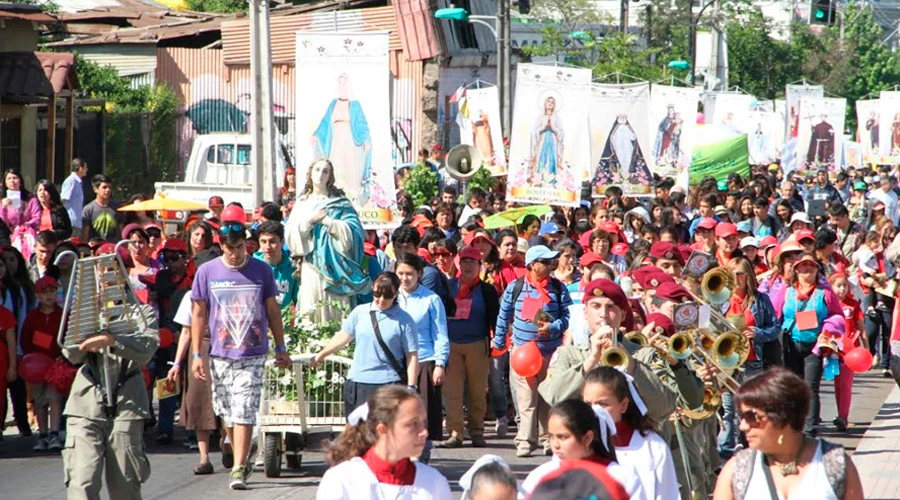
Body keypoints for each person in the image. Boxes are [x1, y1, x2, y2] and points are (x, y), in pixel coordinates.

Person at [190, 219, 291, 490]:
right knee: (227, 413)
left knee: (245, 409)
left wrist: (280, 347)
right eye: (229, 248)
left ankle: (238, 467)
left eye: (239, 247)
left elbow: (272, 310)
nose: (235, 253)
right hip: (220, 353)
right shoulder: (207, 272)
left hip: (253, 352)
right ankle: (239, 453)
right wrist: (196, 355)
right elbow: (198, 314)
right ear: (220, 246)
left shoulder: (262, 271)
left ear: (247, 244)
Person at [712, 368, 864, 500]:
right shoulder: (738, 469)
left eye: (752, 417)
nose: (743, 426)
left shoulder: (835, 464)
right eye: (742, 417)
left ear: (782, 415)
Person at [61, 301, 159, 500]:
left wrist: (112, 341)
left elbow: (147, 349)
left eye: (110, 269)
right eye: (99, 270)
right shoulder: (85, 311)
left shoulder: (141, 311)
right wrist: (86, 340)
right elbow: (71, 354)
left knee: (125, 486)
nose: (105, 275)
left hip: (127, 401)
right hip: (86, 403)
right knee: (82, 482)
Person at [493, 245, 572, 457]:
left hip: (550, 352)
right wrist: (499, 341)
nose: (550, 265)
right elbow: (504, 315)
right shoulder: (515, 287)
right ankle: (525, 441)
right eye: (545, 262)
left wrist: (554, 327)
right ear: (533, 265)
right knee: (526, 399)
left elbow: (567, 316)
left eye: (551, 262)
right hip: (523, 352)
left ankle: (548, 439)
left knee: (547, 396)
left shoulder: (558, 288)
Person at [318, 388, 453, 500]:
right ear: (383, 429)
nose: (424, 432)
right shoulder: (342, 480)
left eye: (424, 423)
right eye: (413, 424)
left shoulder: (433, 482)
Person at [312, 272, 419, 414]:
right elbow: (343, 337)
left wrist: (411, 386)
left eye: (387, 295)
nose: (381, 300)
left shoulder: (405, 320)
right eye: (376, 294)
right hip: (358, 381)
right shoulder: (360, 312)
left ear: (395, 294)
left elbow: (412, 355)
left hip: (388, 383)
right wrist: (321, 354)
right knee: (358, 432)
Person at [285, 159, 371, 323]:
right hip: (312, 263)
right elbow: (290, 234)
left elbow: (356, 232)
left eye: (325, 171)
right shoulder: (303, 203)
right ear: (310, 173)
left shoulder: (341, 203)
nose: (320, 175)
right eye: (317, 170)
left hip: (338, 266)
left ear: (330, 176)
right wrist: (310, 220)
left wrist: (329, 223)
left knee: (337, 308)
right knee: (313, 304)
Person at [583, 367, 679, 500]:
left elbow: (668, 494)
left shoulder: (653, 447)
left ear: (623, 405)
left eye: (602, 404)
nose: (594, 411)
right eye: (588, 404)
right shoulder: (577, 444)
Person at [437, 247, 499, 449]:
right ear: (458, 264)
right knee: (452, 392)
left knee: (477, 392)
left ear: (480, 265)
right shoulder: (449, 286)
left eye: (472, 262)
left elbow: (496, 318)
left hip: (477, 345)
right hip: (452, 345)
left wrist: (497, 341)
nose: (468, 266)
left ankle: (477, 431)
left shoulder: (487, 290)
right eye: (464, 261)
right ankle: (455, 433)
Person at [776, 253, 843, 436]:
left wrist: (828, 329)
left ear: (817, 269)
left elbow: (838, 316)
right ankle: (793, 426)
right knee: (792, 388)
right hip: (790, 345)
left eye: (811, 266)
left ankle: (809, 430)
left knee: (810, 387)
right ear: (796, 269)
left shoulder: (825, 293)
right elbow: (774, 316)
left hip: (814, 346)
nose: (807, 269)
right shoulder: (786, 291)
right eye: (803, 266)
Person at [521, 399, 643, 498]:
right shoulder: (540, 476)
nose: (555, 444)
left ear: (587, 438)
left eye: (563, 437)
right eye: (551, 436)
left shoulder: (621, 477)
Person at [394, 253, 448, 456]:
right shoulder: (391, 297)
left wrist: (440, 364)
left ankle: (422, 458)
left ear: (419, 274)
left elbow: (441, 334)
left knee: (421, 416)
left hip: (424, 362)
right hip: (397, 363)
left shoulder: (431, 299)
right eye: (400, 273)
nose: (404, 278)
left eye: (409, 274)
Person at [310, 74, 372, 201]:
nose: (342, 86)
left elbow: (362, 123)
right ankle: (335, 192)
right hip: (336, 140)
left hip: (350, 140)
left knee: (351, 166)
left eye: (345, 83)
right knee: (336, 165)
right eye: (340, 83)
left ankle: (353, 195)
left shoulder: (355, 104)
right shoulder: (333, 103)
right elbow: (325, 122)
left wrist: (366, 140)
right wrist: (316, 135)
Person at [20, 276, 63, 451]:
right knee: (39, 400)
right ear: (37, 295)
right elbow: (25, 339)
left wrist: (63, 356)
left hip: (56, 364)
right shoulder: (32, 317)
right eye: (44, 292)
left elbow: (67, 337)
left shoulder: (62, 314)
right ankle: (43, 434)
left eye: (52, 291)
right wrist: (32, 358)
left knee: (54, 398)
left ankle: (54, 434)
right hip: (36, 366)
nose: (48, 296)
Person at [829, 272, 866, 431]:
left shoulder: (853, 304)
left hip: (850, 351)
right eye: (838, 285)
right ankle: (840, 415)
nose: (842, 289)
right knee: (837, 384)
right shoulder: (828, 304)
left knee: (845, 384)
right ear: (831, 287)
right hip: (831, 350)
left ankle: (843, 416)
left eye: (845, 285)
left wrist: (866, 347)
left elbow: (861, 326)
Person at [254, 221, 298, 311]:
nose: (268, 246)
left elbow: (298, 300)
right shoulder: (252, 266)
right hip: (259, 322)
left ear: (282, 242)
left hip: (284, 322)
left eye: (272, 241)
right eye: (263, 241)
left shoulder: (293, 268)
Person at [81, 174, 121, 244]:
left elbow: (121, 231)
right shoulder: (88, 209)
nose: (108, 190)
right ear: (95, 189)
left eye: (109, 187)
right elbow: (85, 235)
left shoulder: (117, 208)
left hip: (114, 248)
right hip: (95, 248)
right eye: (104, 187)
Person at [61, 158, 88, 237]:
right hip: (71, 222)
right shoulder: (71, 181)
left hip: (76, 222)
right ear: (80, 168)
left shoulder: (78, 182)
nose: (86, 170)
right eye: (85, 167)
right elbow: (63, 199)